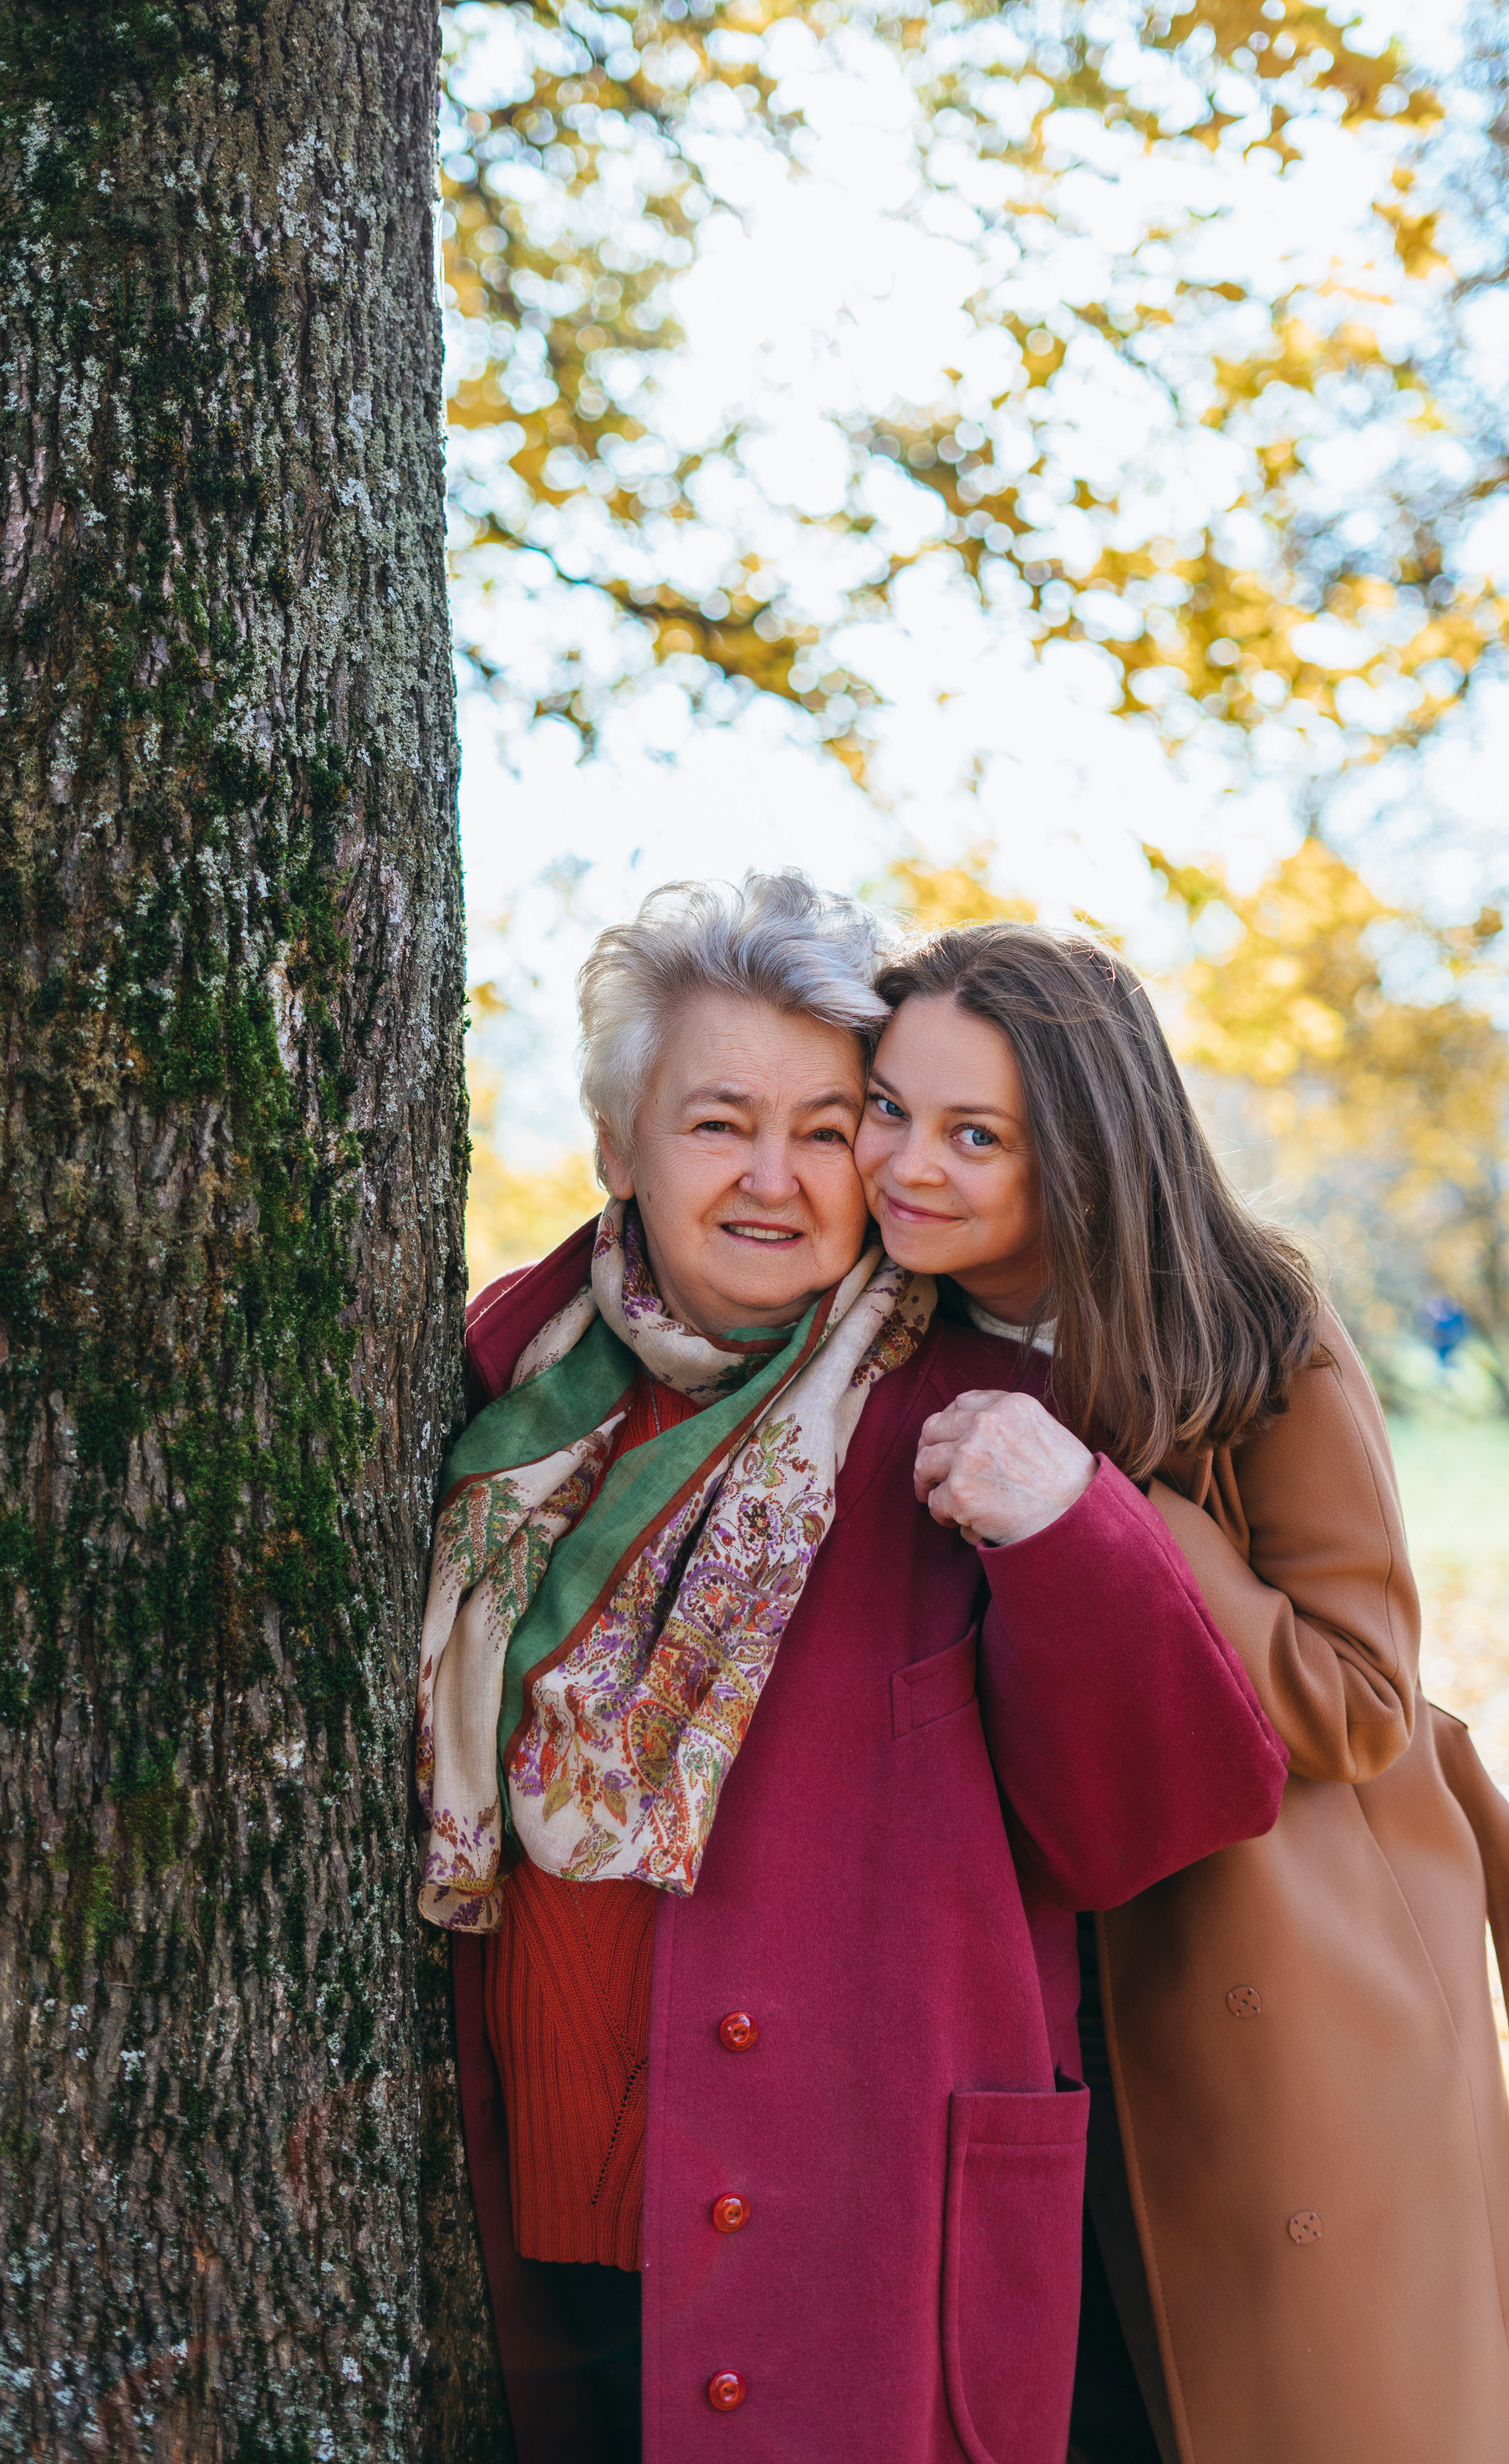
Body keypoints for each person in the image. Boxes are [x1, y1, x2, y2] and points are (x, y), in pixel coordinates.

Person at [418, 871, 1287, 2464]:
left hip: (859, 2253)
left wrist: (1071, 1533)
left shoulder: (980, 1415)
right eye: (716, 1123)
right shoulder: (498, 1403)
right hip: (546, 2237)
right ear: (619, 1150)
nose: (776, 1178)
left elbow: (1154, 1818)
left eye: (827, 1127)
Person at [859, 916, 1509, 2464]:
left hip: (1278, 1996)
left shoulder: (1255, 1329)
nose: (909, 1167)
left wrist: (1115, 1526)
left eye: (975, 1136)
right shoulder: (879, 1339)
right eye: (889, 1106)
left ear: (1082, 1155)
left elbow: (1360, 1699)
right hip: (1010, 2013)